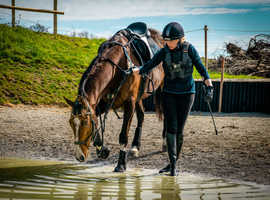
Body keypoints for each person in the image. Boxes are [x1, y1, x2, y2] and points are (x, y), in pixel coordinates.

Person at [132, 22, 214, 176]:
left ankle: (171, 164)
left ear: (179, 39)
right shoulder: (164, 51)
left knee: (180, 130)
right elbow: (151, 63)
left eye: (169, 40)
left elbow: (201, 68)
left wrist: (209, 87)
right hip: (169, 93)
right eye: (166, 40)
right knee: (171, 128)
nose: (167, 42)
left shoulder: (190, 49)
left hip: (187, 94)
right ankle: (173, 165)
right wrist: (139, 70)